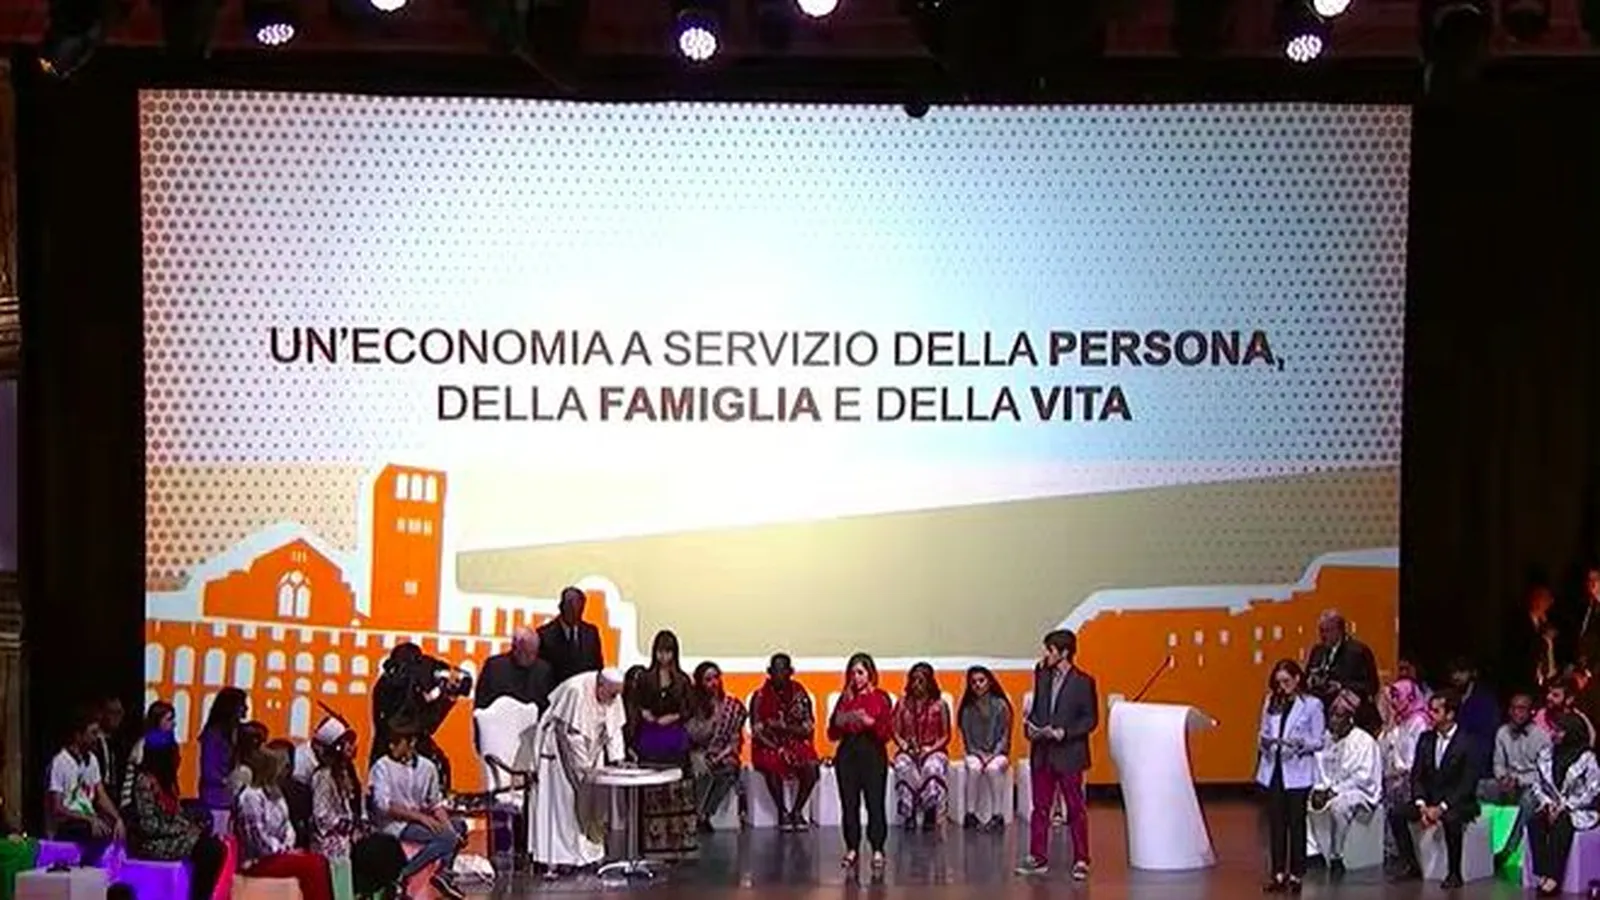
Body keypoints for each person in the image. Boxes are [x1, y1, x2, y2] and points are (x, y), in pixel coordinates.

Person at [1016, 629, 1098, 880]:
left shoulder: (1084, 682)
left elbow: (1090, 719)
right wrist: (1031, 727)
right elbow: (1038, 709)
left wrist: (1066, 732)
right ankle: (1038, 857)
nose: (1045, 654)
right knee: (1040, 808)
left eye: (1050, 650)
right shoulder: (1041, 674)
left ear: (1064, 653)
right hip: (1042, 751)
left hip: (1069, 753)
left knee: (1075, 808)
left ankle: (1081, 859)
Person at [531, 668, 627, 874]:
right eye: (612, 694)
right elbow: (569, 736)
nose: (614, 699)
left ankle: (590, 854)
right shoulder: (576, 691)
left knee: (594, 801)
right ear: (600, 686)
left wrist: (618, 760)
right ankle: (562, 857)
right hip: (560, 753)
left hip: (592, 750)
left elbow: (614, 729)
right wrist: (584, 772)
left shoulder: (613, 695)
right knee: (566, 804)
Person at [1388, 690, 1481, 889]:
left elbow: (1467, 783)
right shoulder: (1426, 739)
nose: (1430, 714)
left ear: (1450, 714)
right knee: (1396, 813)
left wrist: (1442, 807)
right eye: (1430, 709)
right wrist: (1421, 804)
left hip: (1458, 801)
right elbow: (1417, 775)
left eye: (1436, 711)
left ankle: (1454, 873)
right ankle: (1410, 863)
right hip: (1429, 800)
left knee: (1452, 819)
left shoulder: (1468, 742)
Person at [369, 716, 467, 899]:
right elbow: (383, 805)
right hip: (395, 824)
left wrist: (450, 828)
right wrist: (421, 818)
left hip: (418, 821)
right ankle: (403, 874)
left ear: (411, 742)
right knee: (446, 839)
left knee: (457, 828)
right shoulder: (382, 766)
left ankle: (444, 873)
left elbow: (435, 803)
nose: (391, 746)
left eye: (396, 742)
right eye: (390, 742)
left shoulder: (427, 767)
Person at [309, 714, 406, 898]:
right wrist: (349, 827)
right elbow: (321, 816)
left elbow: (358, 808)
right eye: (347, 743)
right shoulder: (323, 776)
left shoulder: (349, 771)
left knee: (387, 848)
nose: (352, 747)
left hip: (351, 838)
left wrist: (363, 825)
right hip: (332, 842)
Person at [127, 728, 227, 900]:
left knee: (214, 844)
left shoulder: (167, 781)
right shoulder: (145, 783)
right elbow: (149, 825)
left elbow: (177, 814)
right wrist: (184, 830)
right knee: (209, 850)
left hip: (170, 836)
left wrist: (192, 827)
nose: (178, 758)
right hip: (151, 842)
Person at [1255, 659, 1325, 893]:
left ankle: (1296, 874)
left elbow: (1319, 740)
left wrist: (1301, 744)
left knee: (1296, 824)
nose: (1282, 687)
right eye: (1278, 682)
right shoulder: (1271, 702)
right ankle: (1277, 873)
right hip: (1274, 769)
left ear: (1297, 679)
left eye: (1286, 681)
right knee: (1276, 824)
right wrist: (1266, 742)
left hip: (1297, 772)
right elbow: (1263, 732)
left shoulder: (1312, 705)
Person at [631, 630, 698, 861]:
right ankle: (651, 845)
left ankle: (677, 845)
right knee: (651, 790)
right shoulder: (645, 678)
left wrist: (674, 717)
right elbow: (636, 703)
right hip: (650, 737)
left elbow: (690, 709)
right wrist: (645, 713)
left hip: (673, 737)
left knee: (676, 790)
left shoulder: (683, 680)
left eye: (668, 652)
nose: (664, 657)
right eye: (660, 652)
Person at [234, 745, 333, 900]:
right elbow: (258, 839)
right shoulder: (251, 797)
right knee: (312, 866)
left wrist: (288, 846)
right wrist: (282, 850)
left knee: (319, 861)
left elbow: (287, 826)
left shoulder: (276, 793)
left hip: (281, 853)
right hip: (259, 860)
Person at [370, 643, 471, 792]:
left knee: (438, 767)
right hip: (393, 736)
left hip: (410, 735)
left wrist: (446, 695)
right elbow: (397, 723)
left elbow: (428, 724)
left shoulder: (425, 672)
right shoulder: (389, 686)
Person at [828, 652, 894, 874]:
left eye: (860, 672)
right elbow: (832, 733)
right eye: (852, 673)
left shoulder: (881, 698)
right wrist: (843, 720)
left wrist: (869, 722)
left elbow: (886, 733)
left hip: (872, 755)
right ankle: (852, 848)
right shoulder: (845, 698)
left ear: (870, 674)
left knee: (875, 803)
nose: (856, 677)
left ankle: (877, 848)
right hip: (848, 755)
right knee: (849, 804)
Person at [1526, 712, 1600, 896]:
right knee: (1535, 821)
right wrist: (1547, 803)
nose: (1554, 734)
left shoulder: (1587, 757)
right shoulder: (1546, 754)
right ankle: (1542, 871)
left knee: (1562, 823)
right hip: (1551, 806)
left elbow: (1593, 789)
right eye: (1554, 730)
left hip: (1579, 809)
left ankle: (1553, 877)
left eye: (1559, 731)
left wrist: (1565, 806)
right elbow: (1537, 785)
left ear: (1571, 732)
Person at [749, 653, 822, 832]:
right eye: (776, 670)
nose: (780, 674)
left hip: (794, 741)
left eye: (784, 670)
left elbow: (807, 728)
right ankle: (782, 811)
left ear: (791, 672)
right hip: (768, 744)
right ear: (769, 672)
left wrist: (784, 728)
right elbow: (757, 731)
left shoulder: (800, 694)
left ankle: (797, 811)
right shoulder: (759, 696)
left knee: (812, 765)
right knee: (771, 763)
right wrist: (778, 748)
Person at [1307, 708, 1380, 881]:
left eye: (1339, 717)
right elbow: (1319, 768)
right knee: (1300, 799)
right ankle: (1314, 852)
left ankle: (1336, 854)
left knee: (1340, 806)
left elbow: (1364, 776)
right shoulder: (1326, 739)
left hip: (1359, 791)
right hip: (1329, 788)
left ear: (1350, 719)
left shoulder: (1364, 741)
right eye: (1331, 716)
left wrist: (1334, 791)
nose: (1333, 721)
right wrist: (1319, 788)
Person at [1478, 692, 1550, 867]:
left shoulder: (1542, 737)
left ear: (1531, 712)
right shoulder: (1502, 732)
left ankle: (1509, 849)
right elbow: (1498, 763)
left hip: (1531, 787)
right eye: (1514, 708)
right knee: (1477, 788)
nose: (1518, 713)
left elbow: (1544, 774)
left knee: (1528, 800)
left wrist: (1518, 780)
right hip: (1507, 784)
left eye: (1522, 709)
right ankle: (1476, 844)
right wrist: (1503, 778)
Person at [46, 706, 125, 864]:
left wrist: (117, 818)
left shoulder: (92, 760)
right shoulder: (60, 762)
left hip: (89, 818)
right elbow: (57, 808)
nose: (97, 738)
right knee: (90, 830)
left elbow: (101, 796)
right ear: (78, 735)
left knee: (115, 828)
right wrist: (89, 819)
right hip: (69, 822)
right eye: (93, 733)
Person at [686, 661, 746, 833]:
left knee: (729, 770)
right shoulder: (693, 705)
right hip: (698, 751)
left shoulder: (731, 706)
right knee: (702, 770)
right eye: (708, 679)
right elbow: (693, 735)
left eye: (716, 678)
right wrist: (711, 720)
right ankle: (696, 814)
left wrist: (721, 755)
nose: (714, 683)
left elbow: (735, 738)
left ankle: (705, 814)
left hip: (723, 753)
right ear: (700, 682)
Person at [891, 662, 952, 831]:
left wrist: (930, 749)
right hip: (908, 750)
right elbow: (895, 731)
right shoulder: (902, 703)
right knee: (902, 765)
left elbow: (946, 736)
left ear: (929, 682)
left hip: (934, 749)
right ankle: (908, 811)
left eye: (921, 681)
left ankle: (930, 810)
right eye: (913, 680)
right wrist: (904, 746)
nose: (916, 685)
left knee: (932, 767)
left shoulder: (940, 704)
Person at [1304, 610, 1381, 734]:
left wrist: (1341, 686)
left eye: (1327, 630)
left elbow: (1371, 686)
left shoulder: (1358, 651)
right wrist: (1312, 681)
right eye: (1321, 631)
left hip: (1353, 717)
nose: (1323, 635)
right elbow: (1307, 677)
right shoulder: (1317, 651)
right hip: (1323, 714)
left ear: (1339, 630)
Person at [957, 665, 1012, 832]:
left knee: (993, 769)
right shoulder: (967, 709)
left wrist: (993, 754)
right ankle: (970, 814)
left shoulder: (1001, 705)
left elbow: (1005, 736)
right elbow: (967, 740)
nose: (978, 685)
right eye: (973, 682)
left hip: (999, 753)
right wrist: (980, 754)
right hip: (975, 752)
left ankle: (997, 815)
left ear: (989, 682)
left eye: (981, 680)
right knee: (974, 768)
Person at [198, 687, 248, 836]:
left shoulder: (239, 733)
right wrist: (229, 781)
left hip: (233, 802)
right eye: (242, 704)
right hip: (216, 801)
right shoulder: (213, 735)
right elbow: (209, 770)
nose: (246, 708)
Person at [1380, 678, 1432, 815]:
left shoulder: (1419, 722)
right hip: (1395, 782)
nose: (1393, 701)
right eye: (1392, 697)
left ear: (1410, 698)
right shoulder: (1400, 721)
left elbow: (1414, 758)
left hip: (1412, 783)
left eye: (1397, 697)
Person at [536, 586, 605, 687]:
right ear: (561, 607)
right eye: (570, 607)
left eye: (579, 608)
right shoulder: (545, 635)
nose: (575, 612)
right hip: (557, 691)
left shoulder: (591, 633)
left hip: (585, 691)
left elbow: (597, 666)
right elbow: (541, 673)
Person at [475, 626, 553, 713]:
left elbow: (547, 706)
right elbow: (481, 706)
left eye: (534, 652)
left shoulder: (544, 670)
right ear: (515, 648)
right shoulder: (494, 667)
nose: (531, 657)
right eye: (527, 653)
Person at [120, 700, 175, 810]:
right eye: (169, 719)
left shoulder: (170, 745)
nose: (173, 723)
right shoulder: (143, 745)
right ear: (157, 721)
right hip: (142, 797)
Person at [90, 698, 126, 810]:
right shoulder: (93, 743)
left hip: (115, 797)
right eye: (113, 713)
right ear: (101, 714)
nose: (118, 718)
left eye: (120, 713)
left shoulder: (119, 744)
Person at [1538, 676, 1596, 745]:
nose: (1548, 697)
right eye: (1549, 692)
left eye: (1555, 695)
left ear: (1569, 699)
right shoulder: (1542, 713)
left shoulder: (1574, 725)